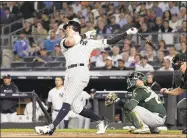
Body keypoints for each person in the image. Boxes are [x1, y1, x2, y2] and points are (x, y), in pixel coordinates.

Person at [35, 20, 138, 135]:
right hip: (69, 73)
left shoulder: (89, 42)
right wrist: (85, 35)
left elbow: (110, 41)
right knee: (76, 107)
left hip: (80, 71)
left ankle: (51, 127)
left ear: (74, 28)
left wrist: (126, 32)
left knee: (67, 100)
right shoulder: (64, 41)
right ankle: (101, 120)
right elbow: (70, 41)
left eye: (68, 28)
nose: (65, 30)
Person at [160, 53, 187, 134]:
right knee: (182, 105)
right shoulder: (184, 75)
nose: (176, 64)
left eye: (177, 62)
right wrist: (168, 91)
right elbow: (180, 90)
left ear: (184, 62)